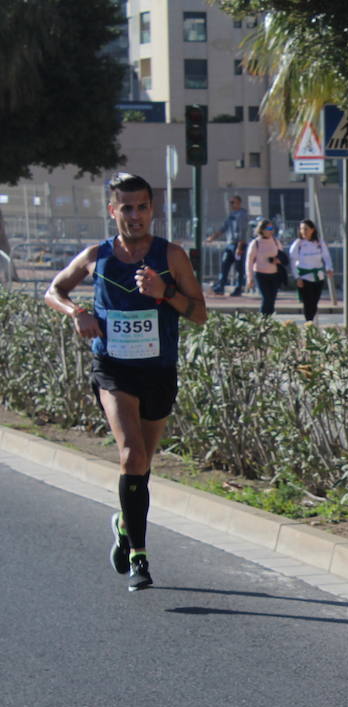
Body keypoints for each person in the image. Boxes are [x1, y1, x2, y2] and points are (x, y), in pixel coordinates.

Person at [45, 172, 208, 591]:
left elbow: (199, 313)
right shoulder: (97, 256)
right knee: (131, 456)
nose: (134, 216)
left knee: (144, 463)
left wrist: (163, 292)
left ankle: (123, 521)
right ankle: (140, 556)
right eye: (126, 207)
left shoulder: (171, 256)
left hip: (158, 370)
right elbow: (54, 290)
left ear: (152, 209)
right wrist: (76, 313)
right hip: (113, 370)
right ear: (112, 210)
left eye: (141, 207)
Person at [287, 219, 333, 326]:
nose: (303, 231)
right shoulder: (298, 243)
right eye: (302, 229)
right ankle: (309, 323)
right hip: (304, 278)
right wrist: (297, 277)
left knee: (314, 302)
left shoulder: (319, 242)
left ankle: (312, 322)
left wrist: (329, 268)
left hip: (318, 277)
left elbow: (326, 256)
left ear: (312, 230)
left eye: (306, 229)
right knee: (308, 302)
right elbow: (293, 261)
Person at [206, 194, 248, 296]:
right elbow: (224, 228)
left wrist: (239, 246)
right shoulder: (231, 215)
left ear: (238, 203)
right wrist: (212, 237)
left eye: (232, 202)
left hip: (238, 245)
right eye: (230, 202)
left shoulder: (242, 215)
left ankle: (238, 288)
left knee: (239, 269)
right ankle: (221, 286)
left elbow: (242, 232)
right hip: (230, 245)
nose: (231, 204)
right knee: (225, 265)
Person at [244, 220, 285, 317]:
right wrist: (249, 278)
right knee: (267, 298)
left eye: (272, 228)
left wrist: (278, 260)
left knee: (272, 299)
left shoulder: (275, 241)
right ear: (262, 230)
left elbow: (282, 256)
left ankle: (268, 320)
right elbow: (249, 261)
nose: (271, 231)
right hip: (261, 274)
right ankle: (262, 320)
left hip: (274, 274)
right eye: (269, 228)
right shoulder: (256, 243)